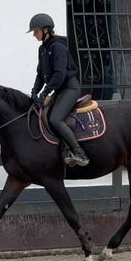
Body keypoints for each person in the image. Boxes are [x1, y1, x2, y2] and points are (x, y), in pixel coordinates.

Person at [27, 13, 89, 167]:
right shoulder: (42, 49)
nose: (34, 34)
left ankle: (79, 153)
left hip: (70, 88)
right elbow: (40, 74)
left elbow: (59, 74)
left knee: (55, 119)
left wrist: (45, 93)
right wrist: (35, 92)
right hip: (59, 89)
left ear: (46, 30)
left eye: (36, 31)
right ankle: (63, 150)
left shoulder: (58, 46)